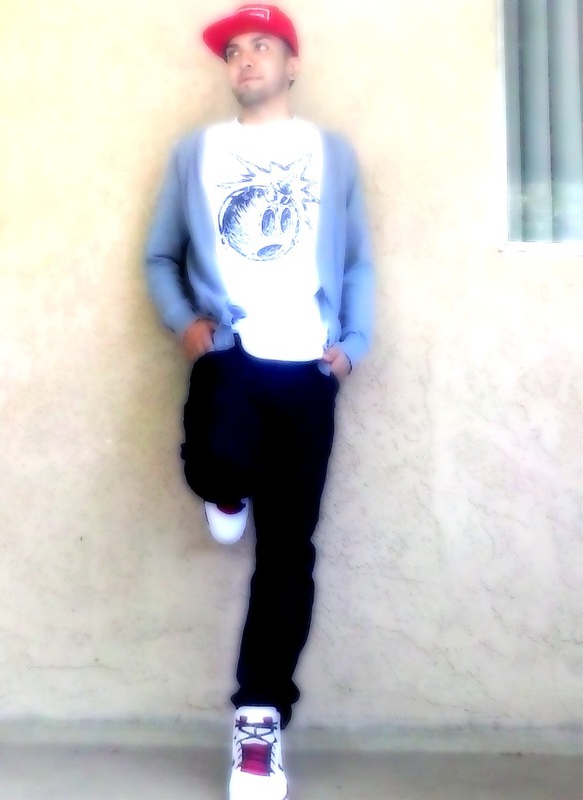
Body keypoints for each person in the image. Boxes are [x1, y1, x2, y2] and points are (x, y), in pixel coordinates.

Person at [144, 5, 375, 799]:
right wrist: (186, 324)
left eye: (263, 46)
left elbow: (358, 259)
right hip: (231, 354)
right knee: (219, 459)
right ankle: (226, 489)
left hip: (308, 368)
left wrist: (354, 344)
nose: (245, 59)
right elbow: (159, 255)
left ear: (291, 64)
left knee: (288, 554)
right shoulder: (196, 154)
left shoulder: (330, 155)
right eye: (234, 50)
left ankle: (260, 721)